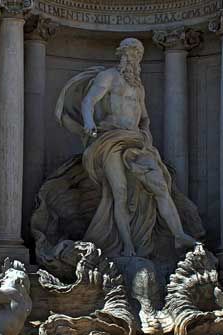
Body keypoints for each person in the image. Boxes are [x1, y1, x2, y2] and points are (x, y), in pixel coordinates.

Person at [57, 38, 199, 259]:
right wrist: (88, 122)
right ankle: (127, 246)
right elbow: (88, 102)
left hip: (137, 141)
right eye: (130, 54)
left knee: (160, 186)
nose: (134, 59)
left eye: (138, 55)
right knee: (119, 193)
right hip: (110, 139)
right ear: (121, 55)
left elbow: (143, 119)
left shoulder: (138, 87)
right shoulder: (109, 76)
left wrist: (147, 138)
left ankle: (179, 234)